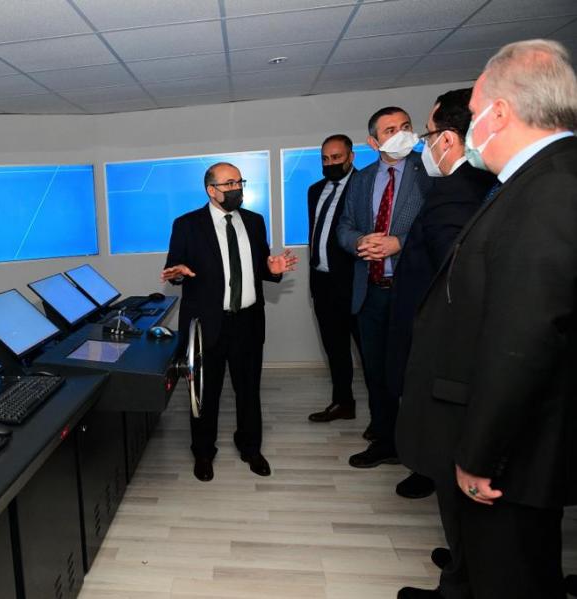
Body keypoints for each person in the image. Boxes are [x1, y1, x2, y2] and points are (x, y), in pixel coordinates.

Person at [395, 39, 577, 599]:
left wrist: (479, 456)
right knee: (494, 563)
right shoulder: (532, 180)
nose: (466, 128)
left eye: (472, 114)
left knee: (512, 573)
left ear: (499, 113)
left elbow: (522, 340)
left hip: (510, 449)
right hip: (512, 434)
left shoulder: (552, 189)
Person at [388, 88, 498, 504]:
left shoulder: (453, 193)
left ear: (448, 139)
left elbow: (458, 282)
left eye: (427, 134)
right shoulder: (483, 184)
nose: (425, 144)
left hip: (443, 345)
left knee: (442, 428)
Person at [161, 162, 298, 482]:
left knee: (248, 390)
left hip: (247, 321)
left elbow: (260, 266)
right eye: (230, 184)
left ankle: (250, 448)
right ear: (211, 191)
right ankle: (203, 452)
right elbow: (174, 268)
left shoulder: (254, 221)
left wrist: (273, 269)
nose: (237, 188)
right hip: (207, 324)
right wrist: (177, 274)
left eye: (240, 182)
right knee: (205, 393)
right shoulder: (187, 224)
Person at [336, 106, 431, 468]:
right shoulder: (361, 180)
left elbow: (441, 227)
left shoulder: (430, 171)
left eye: (405, 126)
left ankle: (420, 449)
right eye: (390, 130)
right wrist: (360, 241)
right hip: (372, 290)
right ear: (373, 142)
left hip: (413, 291)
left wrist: (398, 243)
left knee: (415, 374)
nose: (401, 133)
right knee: (376, 372)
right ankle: (385, 439)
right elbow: (344, 226)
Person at [306, 134, 362, 423]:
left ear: (351, 157)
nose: (330, 164)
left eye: (336, 158)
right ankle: (343, 403)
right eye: (325, 159)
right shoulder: (315, 190)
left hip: (356, 284)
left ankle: (384, 419)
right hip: (323, 283)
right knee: (335, 349)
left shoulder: (365, 185)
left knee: (368, 352)